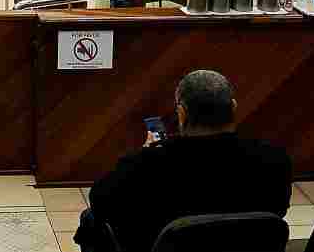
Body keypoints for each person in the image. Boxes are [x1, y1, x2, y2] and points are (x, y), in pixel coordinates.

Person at [76, 70, 291, 252]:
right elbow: (278, 210)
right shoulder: (274, 159)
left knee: (90, 219)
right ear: (233, 107)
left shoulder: (144, 164)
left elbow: (99, 201)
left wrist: (144, 153)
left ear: (181, 113)